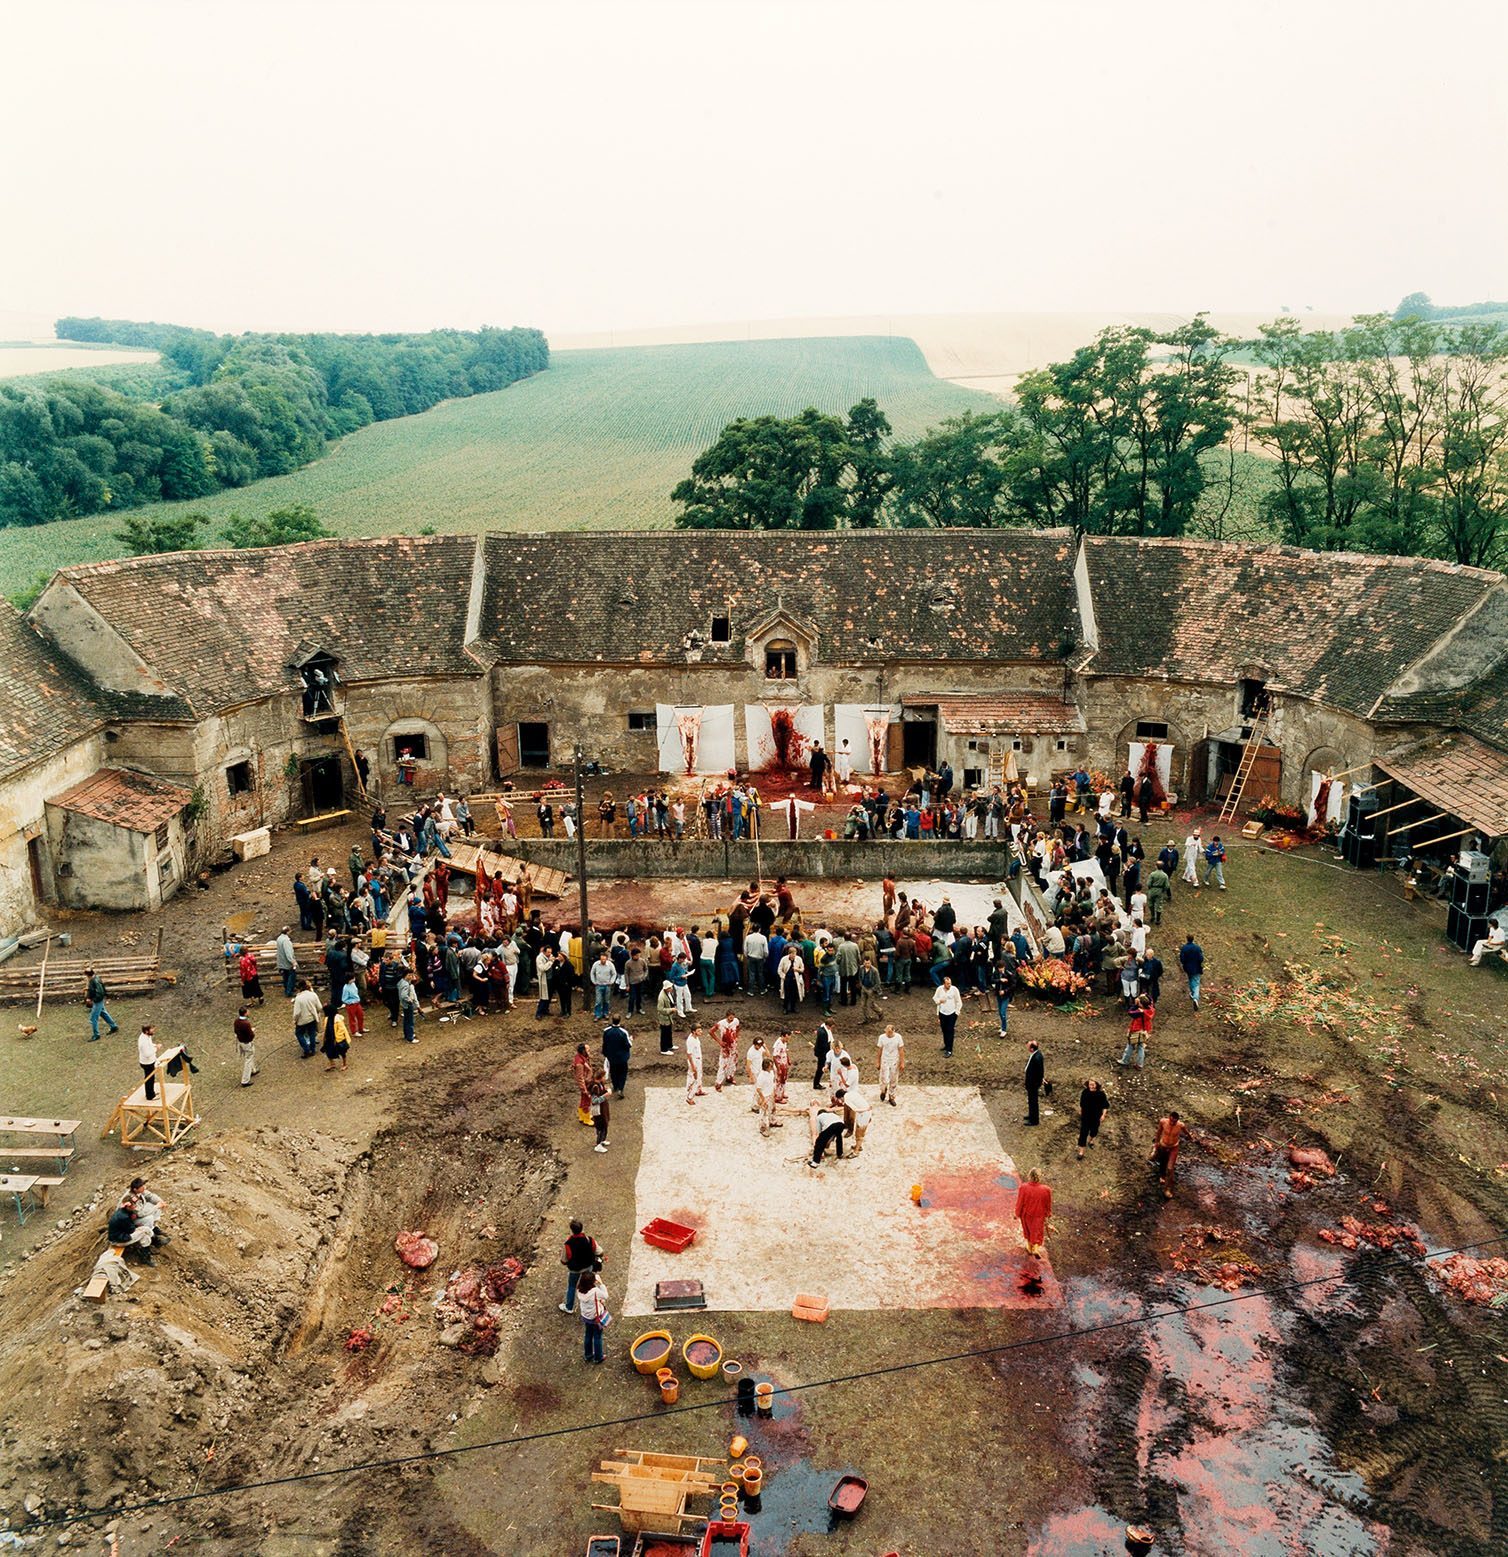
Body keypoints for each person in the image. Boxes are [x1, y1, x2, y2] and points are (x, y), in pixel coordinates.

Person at [558, 1219, 601, 1313]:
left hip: (575, 1269)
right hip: (588, 1266)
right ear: (582, 1228)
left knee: (572, 1286)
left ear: (571, 1230)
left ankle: (569, 1307)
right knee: (589, 1283)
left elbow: (564, 1260)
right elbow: (599, 1251)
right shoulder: (589, 1239)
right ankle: (593, 1303)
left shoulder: (568, 1244)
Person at [1151, 1111, 1193, 1198]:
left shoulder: (1181, 1125)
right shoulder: (1163, 1122)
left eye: (1175, 1121)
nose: (1172, 1123)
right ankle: (1162, 1175)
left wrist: (1190, 1137)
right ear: (1169, 1117)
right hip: (1163, 1145)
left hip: (1173, 1147)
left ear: (1177, 1120)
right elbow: (1158, 1133)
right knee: (1163, 1162)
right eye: (1171, 1121)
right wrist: (1156, 1143)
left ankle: (1167, 1189)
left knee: (1170, 1168)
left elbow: (1187, 1133)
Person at [1015, 1168, 1052, 1258]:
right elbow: (1048, 1204)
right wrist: (1048, 1214)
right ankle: (1035, 1247)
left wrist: (1017, 1213)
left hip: (1026, 1214)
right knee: (1037, 1231)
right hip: (1039, 1215)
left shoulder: (1023, 1187)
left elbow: (1020, 1202)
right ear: (1040, 1177)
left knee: (1027, 1230)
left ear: (1029, 1176)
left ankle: (1029, 1247)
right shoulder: (1046, 1190)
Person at [575, 1269, 610, 1363]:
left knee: (588, 1335)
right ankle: (598, 1357)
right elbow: (605, 1296)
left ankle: (588, 1355)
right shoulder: (595, 1291)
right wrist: (601, 1283)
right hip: (595, 1317)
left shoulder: (579, 1289)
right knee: (597, 1336)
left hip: (586, 1316)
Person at [807, 1090, 847, 1168]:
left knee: (819, 1142)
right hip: (841, 1124)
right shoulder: (831, 1114)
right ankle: (840, 1153)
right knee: (839, 1137)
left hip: (832, 1125)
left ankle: (815, 1162)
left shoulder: (819, 1117)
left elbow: (819, 1131)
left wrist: (822, 1141)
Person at [1120, 993, 1154, 1069]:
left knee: (1130, 1046)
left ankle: (1125, 1060)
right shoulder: (1150, 1008)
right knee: (1141, 1048)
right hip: (1145, 1031)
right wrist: (1145, 995)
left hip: (1136, 1030)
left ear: (1141, 1004)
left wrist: (1135, 1005)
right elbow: (1150, 1000)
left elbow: (1130, 1012)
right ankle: (1139, 1064)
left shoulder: (1139, 1012)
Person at [291, 977, 323, 1058]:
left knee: (299, 1034)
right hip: (312, 1018)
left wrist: (295, 1020)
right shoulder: (313, 995)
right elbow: (319, 1007)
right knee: (312, 1033)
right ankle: (312, 1049)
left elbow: (297, 1013)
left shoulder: (298, 998)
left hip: (302, 1020)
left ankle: (306, 1049)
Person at [1077, 1079, 1109, 1158]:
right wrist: (1081, 1111)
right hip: (1086, 1116)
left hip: (1096, 1117)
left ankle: (1091, 1139)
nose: (1091, 1086)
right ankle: (1081, 1152)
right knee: (1083, 1133)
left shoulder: (1101, 1094)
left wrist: (1103, 1115)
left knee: (1094, 1131)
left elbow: (1105, 1106)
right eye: (1090, 1084)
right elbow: (1082, 1103)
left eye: (1093, 1084)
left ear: (1097, 1085)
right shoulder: (1085, 1092)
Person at [933, 974, 963, 1056]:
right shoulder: (939, 989)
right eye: (947, 984)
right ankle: (946, 1045)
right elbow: (935, 998)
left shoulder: (954, 990)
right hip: (942, 1012)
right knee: (944, 1030)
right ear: (944, 984)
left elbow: (959, 1002)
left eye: (950, 983)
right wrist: (939, 1001)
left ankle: (949, 1049)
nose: (949, 985)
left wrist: (957, 1012)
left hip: (951, 1013)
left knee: (950, 1030)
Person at [602, 1018, 632, 1098]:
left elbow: (604, 1043)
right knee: (623, 1072)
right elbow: (628, 1045)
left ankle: (615, 1086)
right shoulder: (623, 1032)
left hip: (611, 1056)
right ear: (619, 1021)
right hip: (622, 1057)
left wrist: (605, 1053)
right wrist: (631, 1040)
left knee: (613, 1071)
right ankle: (621, 1089)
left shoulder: (606, 1031)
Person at [86, 968, 119, 1041]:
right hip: (98, 1000)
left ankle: (96, 1035)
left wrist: (93, 1000)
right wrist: (89, 997)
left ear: (88, 975)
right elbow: (92, 990)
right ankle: (114, 1026)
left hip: (97, 1001)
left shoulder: (94, 981)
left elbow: (99, 992)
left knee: (93, 1018)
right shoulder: (95, 978)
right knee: (103, 1013)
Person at [876, 1022, 904, 1105]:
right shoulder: (881, 1037)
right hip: (885, 1060)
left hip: (894, 1060)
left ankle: (891, 1096)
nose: (888, 1034)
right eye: (887, 1032)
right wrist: (878, 1061)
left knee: (893, 1079)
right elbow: (879, 1050)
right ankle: (883, 1090)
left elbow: (901, 1050)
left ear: (893, 1031)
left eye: (890, 1033)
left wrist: (902, 1062)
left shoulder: (898, 1037)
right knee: (884, 1078)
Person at [712, 1011, 741, 1090]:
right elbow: (711, 1031)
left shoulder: (736, 1021)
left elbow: (738, 1027)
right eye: (730, 1017)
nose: (732, 1019)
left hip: (733, 1046)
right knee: (723, 1065)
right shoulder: (721, 1023)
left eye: (733, 1017)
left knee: (733, 1063)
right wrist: (719, 1041)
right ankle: (718, 1083)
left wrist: (737, 1036)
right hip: (725, 1048)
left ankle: (730, 1077)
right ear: (727, 1017)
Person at [234, 1005, 259, 1087]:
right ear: (245, 1013)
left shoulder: (236, 1021)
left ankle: (253, 1069)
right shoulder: (246, 1023)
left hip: (240, 1042)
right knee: (248, 1059)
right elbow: (251, 1035)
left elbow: (235, 1031)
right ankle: (245, 1080)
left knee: (249, 1056)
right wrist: (252, 1033)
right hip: (247, 1043)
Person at [322, 1001, 351, 1072]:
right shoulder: (327, 1019)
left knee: (342, 1052)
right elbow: (325, 1028)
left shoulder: (338, 1019)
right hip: (329, 1037)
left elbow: (341, 1030)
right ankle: (332, 1064)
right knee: (327, 1051)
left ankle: (345, 1064)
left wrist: (337, 1038)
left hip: (338, 1039)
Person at [1179, 934, 1204, 1010]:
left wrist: (1185, 964)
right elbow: (1201, 958)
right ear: (1193, 939)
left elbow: (1182, 959)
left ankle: (1192, 993)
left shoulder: (1184, 948)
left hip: (1188, 968)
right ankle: (1195, 998)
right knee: (1196, 983)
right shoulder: (1197, 948)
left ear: (1187, 939)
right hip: (1196, 967)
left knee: (1190, 979)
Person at [589, 950, 616, 1021]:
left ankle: (605, 1013)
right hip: (598, 985)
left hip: (607, 985)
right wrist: (594, 981)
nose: (603, 961)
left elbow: (614, 973)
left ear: (606, 959)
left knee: (606, 1000)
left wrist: (611, 981)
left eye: (604, 959)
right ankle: (597, 1014)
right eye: (601, 959)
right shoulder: (596, 964)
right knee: (598, 1001)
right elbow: (592, 973)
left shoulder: (610, 965)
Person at [1023, 1039, 1045, 1126]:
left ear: (1032, 1049)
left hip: (1033, 1084)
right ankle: (1031, 1115)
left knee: (1033, 1101)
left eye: (1028, 1046)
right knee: (1031, 1100)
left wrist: (1037, 1082)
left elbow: (1039, 1072)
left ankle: (1034, 1120)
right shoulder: (1036, 1055)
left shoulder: (1036, 1058)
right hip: (1031, 1082)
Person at [572, 1043, 594, 1125]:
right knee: (587, 1101)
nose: (589, 1051)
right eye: (588, 1050)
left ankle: (582, 1116)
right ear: (583, 1051)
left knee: (583, 1100)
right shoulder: (579, 1064)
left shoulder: (581, 1057)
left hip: (587, 1082)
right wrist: (584, 1089)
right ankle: (587, 1119)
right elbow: (580, 1078)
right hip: (585, 1084)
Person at [588, 1074, 611, 1151]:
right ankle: (598, 1145)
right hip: (599, 1111)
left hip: (603, 1110)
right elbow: (594, 1101)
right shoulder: (595, 1087)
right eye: (604, 1076)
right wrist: (605, 1095)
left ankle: (603, 1140)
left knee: (605, 1125)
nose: (605, 1078)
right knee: (601, 1127)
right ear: (600, 1078)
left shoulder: (600, 1085)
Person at [274, 927, 299, 998]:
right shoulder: (286, 941)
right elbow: (288, 952)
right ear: (287, 932)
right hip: (287, 962)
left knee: (285, 976)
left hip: (281, 962)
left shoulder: (279, 938)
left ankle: (287, 989)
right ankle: (289, 991)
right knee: (291, 976)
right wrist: (292, 961)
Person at [685, 1024, 707, 1103]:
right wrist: (693, 1066)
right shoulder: (691, 1041)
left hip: (698, 1060)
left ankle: (698, 1090)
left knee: (699, 1076)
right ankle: (689, 1097)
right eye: (698, 1031)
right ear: (694, 1032)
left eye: (701, 1030)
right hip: (694, 1061)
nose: (701, 1032)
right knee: (695, 1079)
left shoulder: (695, 1037)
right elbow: (689, 1054)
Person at [397, 970, 420, 1043]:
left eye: (411, 975)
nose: (410, 977)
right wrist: (410, 1000)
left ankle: (407, 1034)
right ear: (405, 975)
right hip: (408, 1004)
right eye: (409, 975)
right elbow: (404, 995)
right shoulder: (406, 984)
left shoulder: (401, 982)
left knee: (406, 1020)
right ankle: (410, 1037)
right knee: (410, 1021)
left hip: (404, 1004)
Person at [812, 1018, 833, 1090]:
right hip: (822, 1053)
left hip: (824, 1051)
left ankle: (832, 1081)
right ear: (828, 1026)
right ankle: (816, 1084)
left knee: (829, 1067)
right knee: (820, 1068)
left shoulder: (822, 1028)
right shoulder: (823, 1033)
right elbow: (824, 1045)